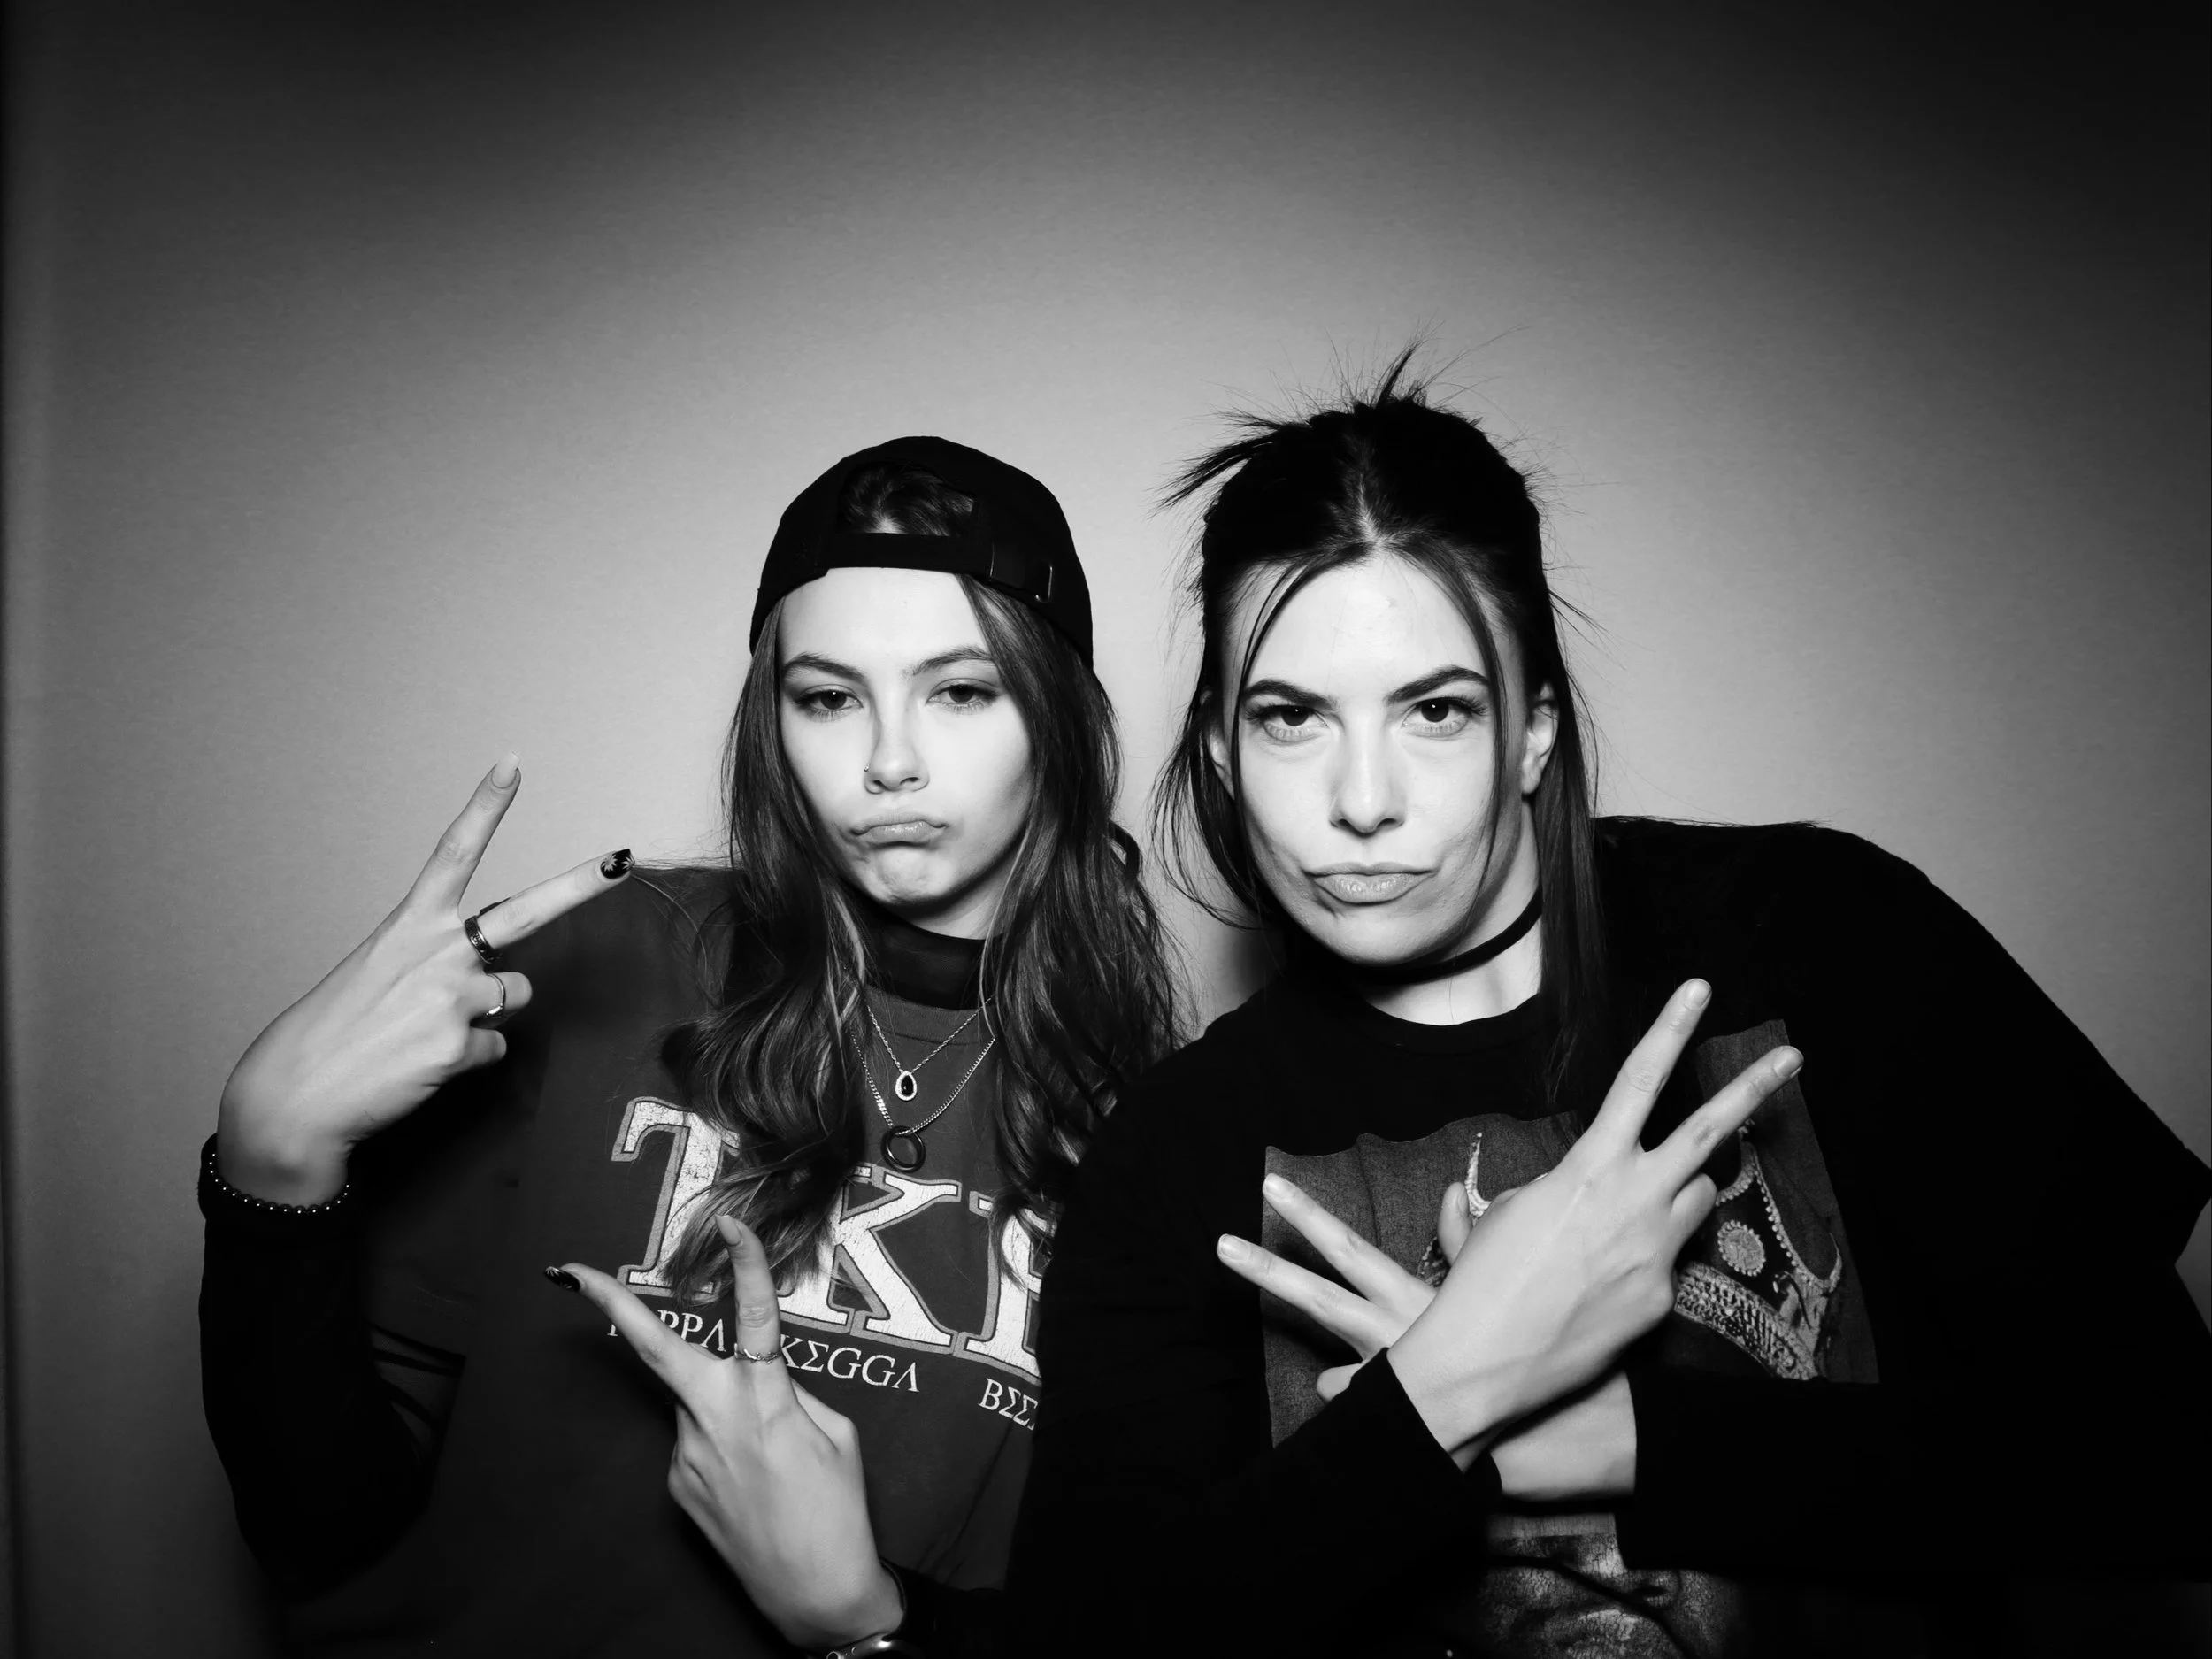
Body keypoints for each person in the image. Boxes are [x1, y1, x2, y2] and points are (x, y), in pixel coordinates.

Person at [1004, 365, 2212, 1657]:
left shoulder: (1817, 936)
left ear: (1532, 731)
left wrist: (1624, 1437)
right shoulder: (1176, 1150)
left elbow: (2164, 1457)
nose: (1363, 797)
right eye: (1293, 717)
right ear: (1225, 753)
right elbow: (1097, 1633)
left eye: (1437, 709)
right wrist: (1448, 1395)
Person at [199, 437, 1177, 1657]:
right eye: (827, 696)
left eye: (961, 690)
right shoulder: (611, 961)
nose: (887, 759)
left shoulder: (1159, 1116)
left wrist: (858, 1623)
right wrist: (270, 1164)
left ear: (1062, 710)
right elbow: (325, 1534)